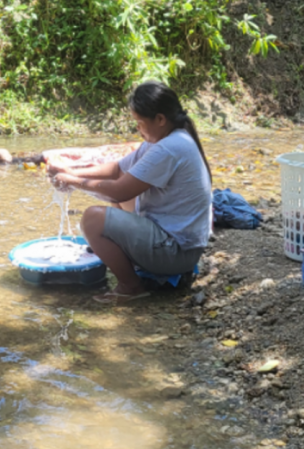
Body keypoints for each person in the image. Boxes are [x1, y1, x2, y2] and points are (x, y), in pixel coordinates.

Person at [48, 80, 212, 304]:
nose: (138, 128)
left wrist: (73, 181)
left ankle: (130, 286)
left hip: (177, 253)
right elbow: (117, 169)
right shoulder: (167, 138)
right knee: (119, 202)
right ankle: (132, 269)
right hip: (180, 245)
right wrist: (71, 169)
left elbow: (119, 191)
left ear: (160, 120)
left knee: (93, 219)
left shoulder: (170, 147)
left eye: (139, 122)